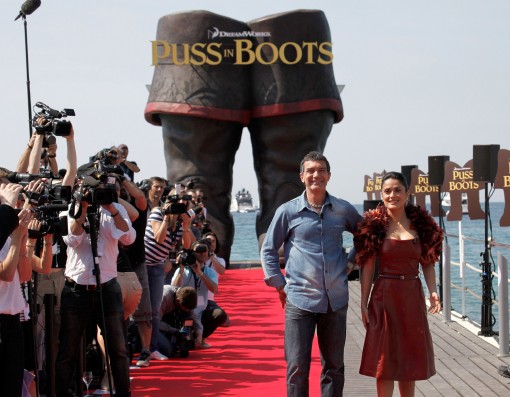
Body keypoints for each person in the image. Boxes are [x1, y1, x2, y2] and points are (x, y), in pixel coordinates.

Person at [260, 151, 361, 397]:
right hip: (299, 300)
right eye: (311, 171)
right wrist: (279, 285)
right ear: (302, 176)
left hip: (335, 300)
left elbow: (367, 236)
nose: (316, 175)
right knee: (296, 366)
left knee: (334, 367)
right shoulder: (288, 211)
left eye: (321, 170)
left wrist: (351, 263)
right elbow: (269, 249)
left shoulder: (343, 209)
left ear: (329, 175)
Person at [353, 171, 443, 397]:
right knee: (384, 362)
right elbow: (367, 266)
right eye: (387, 191)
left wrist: (433, 291)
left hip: (412, 296)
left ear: (407, 193)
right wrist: (363, 303)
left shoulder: (422, 225)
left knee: (408, 360)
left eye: (397, 190)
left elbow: (428, 262)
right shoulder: (374, 226)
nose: (392, 195)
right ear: (381, 195)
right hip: (384, 297)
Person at [55, 174, 136, 397]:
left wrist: (111, 206)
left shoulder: (115, 211)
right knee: (67, 350)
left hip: (107, 288)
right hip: (75, 291)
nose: (95, 194)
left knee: (118, 350)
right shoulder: (69, 211)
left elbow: (129, 238)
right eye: (91, 190)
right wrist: (81, 207)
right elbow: (72, 238)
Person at [171, 240, 227, 349]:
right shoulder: (184, 269)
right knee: (185, 324)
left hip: (201, 310)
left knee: (220, 314)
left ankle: (200, 338)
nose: (202, 253)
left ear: (208, 253)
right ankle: (186, 338)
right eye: (198, 251)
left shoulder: (209, 272)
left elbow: (214, 289)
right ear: (192, 253)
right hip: (183, 309)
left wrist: (199, 273)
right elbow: (174, 288)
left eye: (204, 250)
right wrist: (181, 269)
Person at [158, 285, 198, 358]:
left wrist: (198, 334)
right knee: (168, 351)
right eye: (185, 308)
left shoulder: (188, 300)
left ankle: (183, 341)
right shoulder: (164, 296)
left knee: (189, 319)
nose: (187, 310)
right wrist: (175, 331)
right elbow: (156, 322)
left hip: (170, 321)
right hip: (154, 325)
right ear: (178, 300)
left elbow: (194, 318)